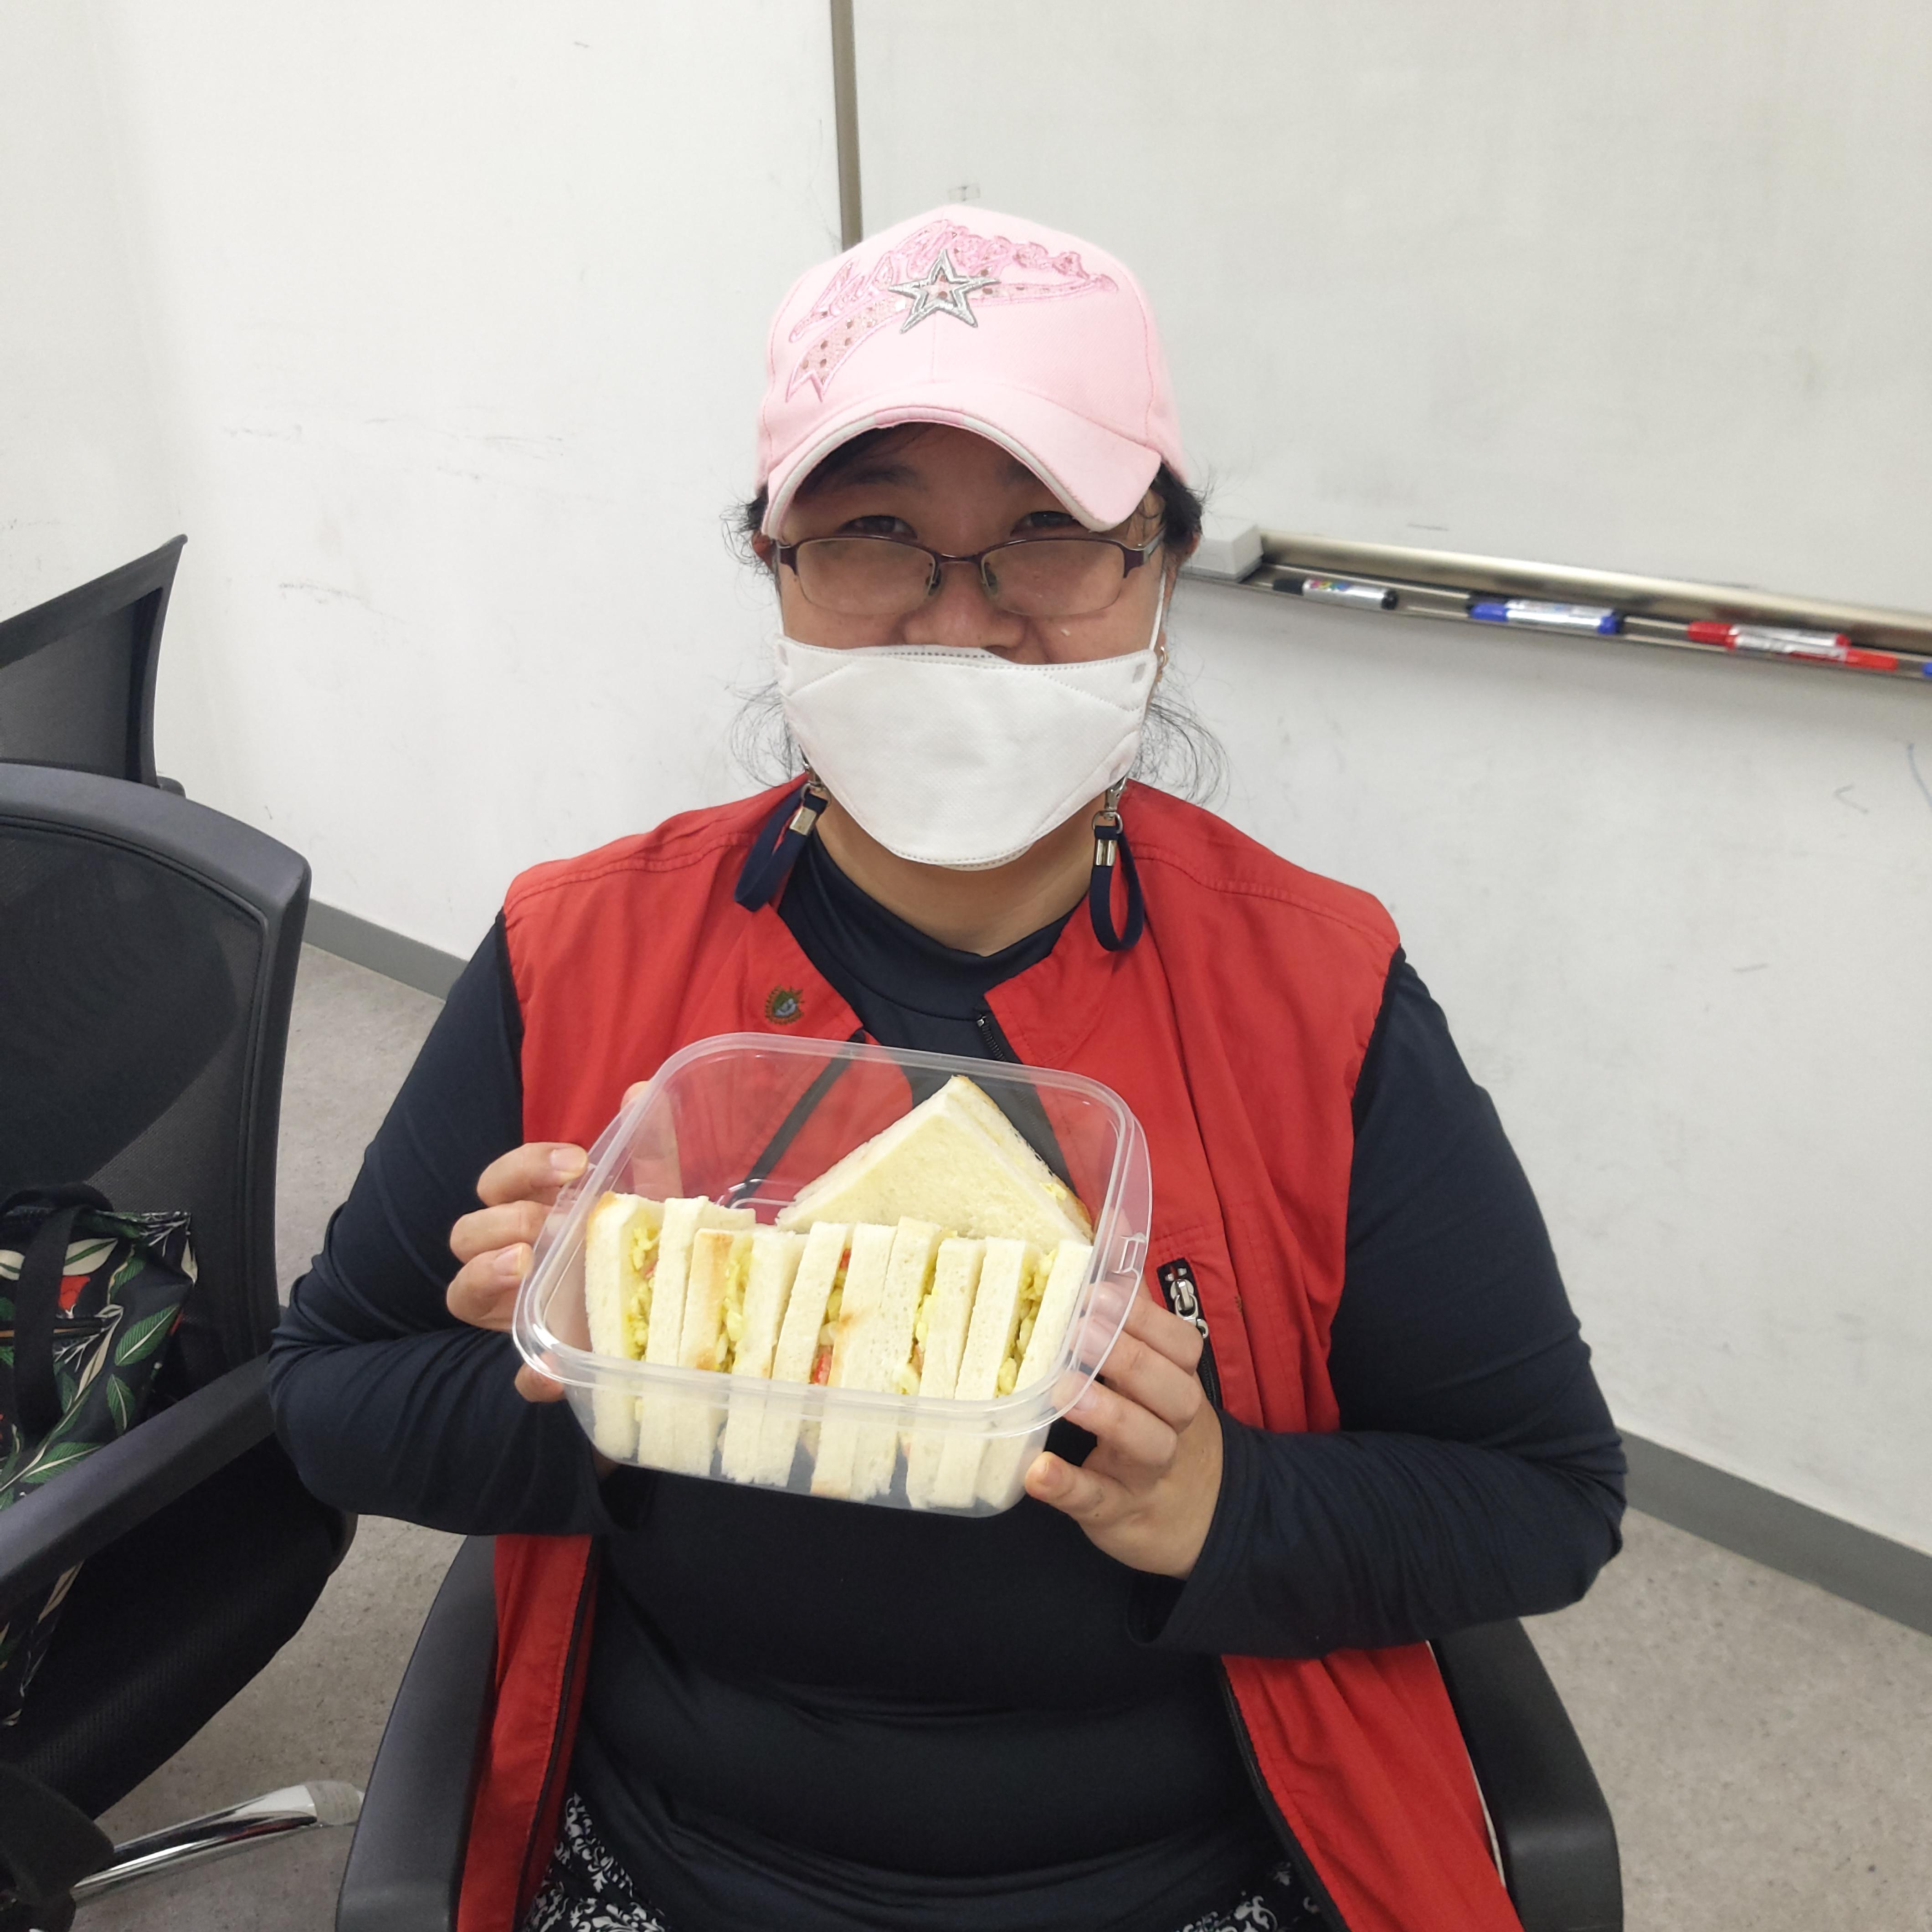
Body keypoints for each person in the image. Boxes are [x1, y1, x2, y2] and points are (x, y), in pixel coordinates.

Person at [270, 206, 1624, 1932]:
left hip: (1177, 1871)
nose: (959, 625)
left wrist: (1219, 1500)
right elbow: (324, 1400)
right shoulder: (583, 951)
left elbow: (1542, 1500)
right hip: (679, 1858)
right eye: (875, 533)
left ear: (1159, 568)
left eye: (1048, 534)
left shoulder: (1317, 990)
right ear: (774, 562)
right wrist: (596, 1379)